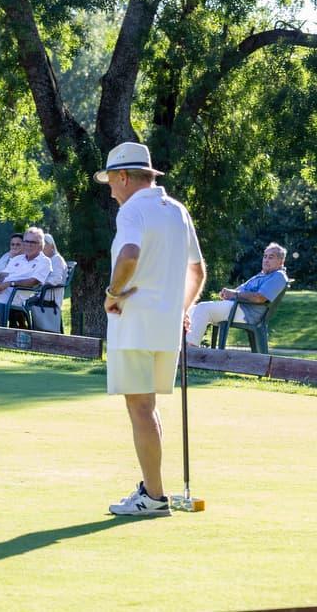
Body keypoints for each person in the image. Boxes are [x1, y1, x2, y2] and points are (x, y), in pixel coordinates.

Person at [96, 142, 206, 517]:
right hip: (166, 326)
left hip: (134, 321)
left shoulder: (131, 211)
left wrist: (112, 293)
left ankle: (155, 497)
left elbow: (129, 256)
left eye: (111, 181)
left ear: (124, 177)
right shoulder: (177, 210)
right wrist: (183, 309)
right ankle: (153, 491)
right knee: (147, 405)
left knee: (139, 406)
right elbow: (197, 271)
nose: (111, 190)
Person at [185, 243, 289, 346]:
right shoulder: (262, 275)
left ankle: (191, 350)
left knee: (203, 308)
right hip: (237, 307)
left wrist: (235, 294)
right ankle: (182, 347)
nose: (266, 260)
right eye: (265, 256)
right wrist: (228, 293)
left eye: (271, 257)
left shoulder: (278, 276)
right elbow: (239, 290)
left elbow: (260, 298)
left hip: (246, 313)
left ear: (281, 261)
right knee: (191, 309)